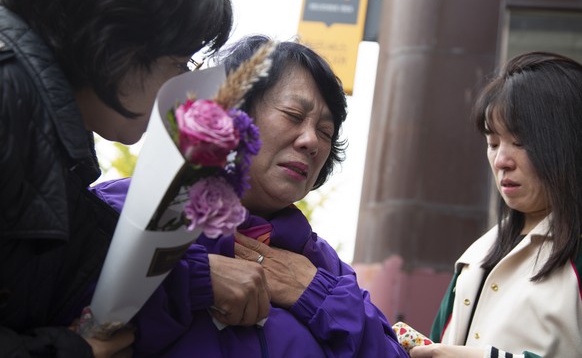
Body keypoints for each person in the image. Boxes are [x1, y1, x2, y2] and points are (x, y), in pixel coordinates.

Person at [92, 35, 409, 357]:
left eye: (326, 132)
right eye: (293, 115)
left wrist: (315, 294)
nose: (311, 141)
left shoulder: (326, 269)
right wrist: (197, 280)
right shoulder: (121, 209)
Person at [0, 0, 232, 357]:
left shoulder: (47, 130)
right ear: (116, 40)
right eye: (178, 62)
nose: (184, 91)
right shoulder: (9, 97)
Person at [410, 51, 582, 358]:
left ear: (566, 143)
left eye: (520, 142)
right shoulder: (474, 256)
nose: (501, 160)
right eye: (492, 143)